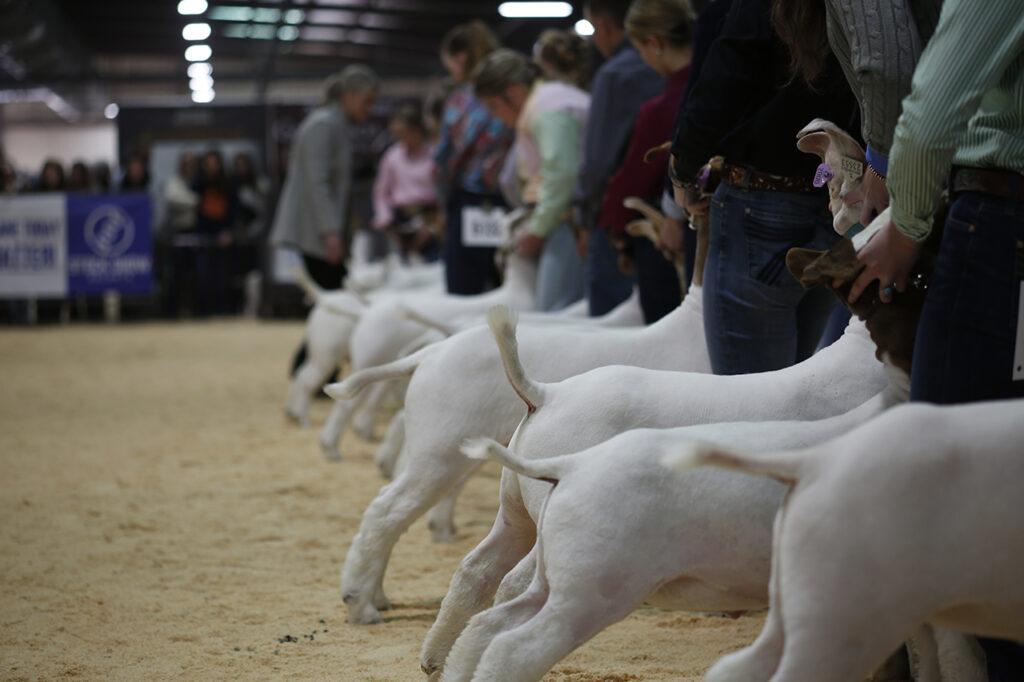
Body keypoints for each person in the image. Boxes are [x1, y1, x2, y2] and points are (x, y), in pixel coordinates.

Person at [670, 0, 858, 375]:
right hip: (836, 201)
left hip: (759, 201)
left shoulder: (758, 9)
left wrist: (684, 174)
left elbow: (718, 89)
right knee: (795, 383)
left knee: (749, 395)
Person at [269, 65, 379, 371]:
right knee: (335, 303)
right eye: (366, 101)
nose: (370, 109)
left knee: (332, 302)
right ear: (348, 95)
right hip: (316, 233)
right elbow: (317, 181)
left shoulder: (332, 123)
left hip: (319, 231)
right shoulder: (324, 125)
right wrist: (330, 231)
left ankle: (309, 367)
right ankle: (313, 368)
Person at [599, 0, 695, 323]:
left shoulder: (661, 109)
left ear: (654, 43)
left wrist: (610, 220)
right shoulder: (713, 87)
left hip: (664, 238)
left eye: (640, 48)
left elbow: (634, 178)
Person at [474, 47, 590, 311]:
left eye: (494, 106)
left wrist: (538, 228)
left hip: (570, 219)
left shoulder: (548, 108)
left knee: (555, 313)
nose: (495, 116)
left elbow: (562, 175)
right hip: (567, 217)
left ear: (513, 92)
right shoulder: (548, 102)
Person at [577, 0, 665, 316]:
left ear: (602, 25)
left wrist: (586, 218)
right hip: (667, 210)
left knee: (608, 317)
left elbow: (598, 161)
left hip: (616, 214)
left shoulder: (613, 74)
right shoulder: (673, 66)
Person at [434, 20, 515, 295]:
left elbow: (444, 159)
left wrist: (443, 199)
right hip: (510, 205)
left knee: (465, 290)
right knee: (507, 286)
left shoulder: (461, 101)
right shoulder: (512, 93)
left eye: (451, 66)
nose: (451, 73)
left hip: (469, 202)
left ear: (461, 57)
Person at [372, 105, 441, 261]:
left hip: (430, 218)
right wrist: (386, 220)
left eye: (403, 133)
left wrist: (432, 227)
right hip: (400, 221)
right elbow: (381, 193)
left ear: (416, 129)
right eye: (396, 133)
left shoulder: (435, 154)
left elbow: (444, 191)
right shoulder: (392, 155)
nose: (399, 138)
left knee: (433, 268)